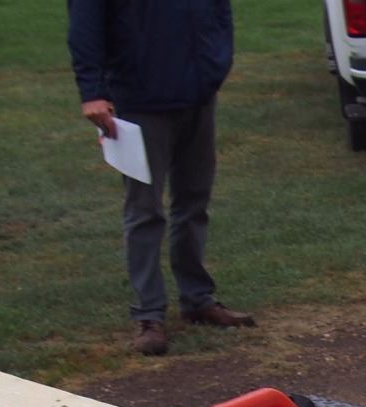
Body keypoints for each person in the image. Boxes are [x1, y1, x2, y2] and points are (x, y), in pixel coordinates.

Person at [68, 0, 256, 357]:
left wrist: (216, 63)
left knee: (194, 201)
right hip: (139, 98)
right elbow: (85, 24)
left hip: (197, 93)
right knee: (145, 210)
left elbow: (218, 11)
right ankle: (149, 314)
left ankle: (197, 299)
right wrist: (92, 91)